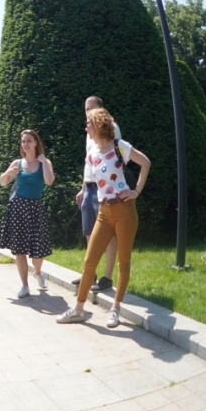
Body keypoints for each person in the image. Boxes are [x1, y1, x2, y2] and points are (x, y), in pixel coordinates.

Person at [58, 108, 150, 328]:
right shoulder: (92, 155)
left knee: (124, 262)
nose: (86, 127)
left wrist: (136, 191)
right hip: (104, 213)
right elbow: (95, 182)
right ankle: (78, 309)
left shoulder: (119, 146)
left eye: (88, 123)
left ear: (98, 124)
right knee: (90, 261)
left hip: (125, 211)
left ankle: (115, 309)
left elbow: (145, 162)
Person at [0, 130, 55, 298]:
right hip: (18, 209)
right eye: (23, 141)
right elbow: (2, 182)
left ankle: (37, 272)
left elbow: (50, 182)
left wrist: (44, 162)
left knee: (38, 252)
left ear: (36, 142)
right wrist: (7, 174)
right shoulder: (17, 163)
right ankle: (24, 285)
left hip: (35, 209)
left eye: (29, 140)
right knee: (19, 250)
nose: (26, 144)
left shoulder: (44, 162)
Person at [73, 96, 121, 292]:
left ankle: (107, 277)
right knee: (89, 234)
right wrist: (83, 189)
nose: (88, 112)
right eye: (86, 108)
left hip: (104, 189)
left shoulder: (112, 127)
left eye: (91, 108)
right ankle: (89, 274)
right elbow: (89, 162)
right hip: (90, 188)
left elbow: (115, 159)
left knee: (108, 234)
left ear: (101, 109)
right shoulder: (89, 131)